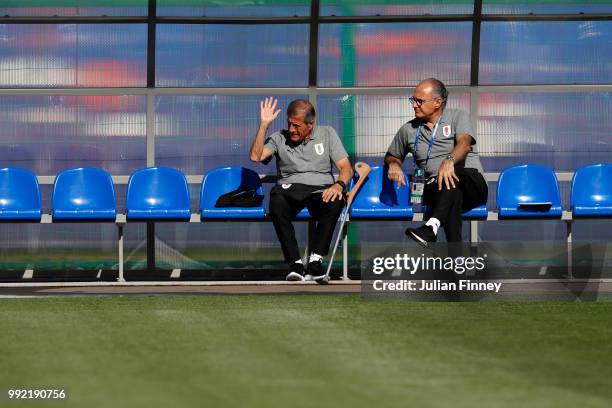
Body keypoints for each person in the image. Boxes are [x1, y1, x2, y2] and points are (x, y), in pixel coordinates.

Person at [250, 98, 354, 281]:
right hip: (289, 190)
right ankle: (295, 264)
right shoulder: (278, 137)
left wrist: (339, 185)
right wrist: (264, 125)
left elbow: (346, 168)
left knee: (336, 200)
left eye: (297, 125)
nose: (291, 129)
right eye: (289, 124)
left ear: (310, 124)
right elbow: (255, 156)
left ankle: (315, 261)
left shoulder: (327, 133)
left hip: (320, 190)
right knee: (276, 203)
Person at [385, 78, 487, 246]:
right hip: (435, 190)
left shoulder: (457, 116)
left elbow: (464, 142)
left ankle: (431, 227)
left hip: (472, 185)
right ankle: (454, 258)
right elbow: (392, 155)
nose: (414, 105)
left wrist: (449, 160)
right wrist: (394, 164)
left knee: (453, 175)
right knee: (452, 193)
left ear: (437, 102)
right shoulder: (408, 129)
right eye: (413, 100)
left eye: (419, 101)